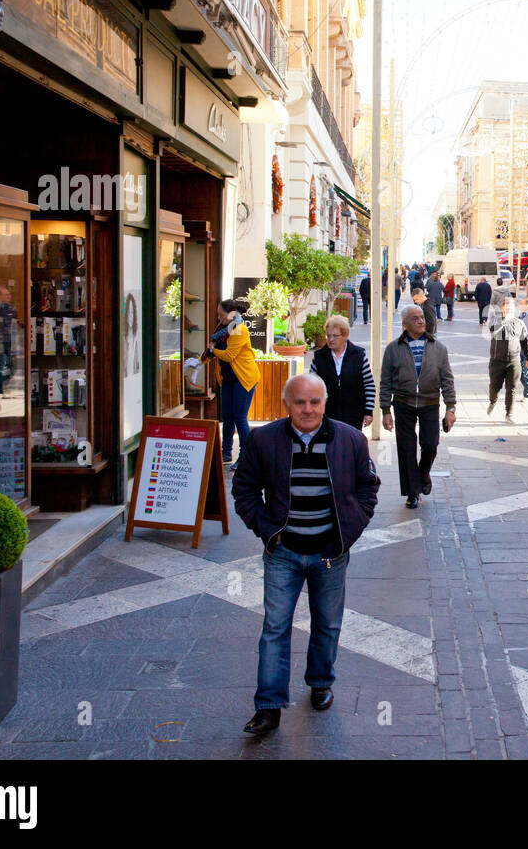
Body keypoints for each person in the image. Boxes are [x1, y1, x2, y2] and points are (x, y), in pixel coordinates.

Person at [233, 373, 380, 736]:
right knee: (275, 628)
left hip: (330, 553)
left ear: (324, 404)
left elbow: (368, 488)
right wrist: (267, 530)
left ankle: (320, 682)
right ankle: (268, 706)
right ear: (287, 405)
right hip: (284, 552)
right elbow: (244, 489)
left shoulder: (350, 440)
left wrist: (351, 530)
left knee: (327, 624)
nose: (308, 409)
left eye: (315, 402)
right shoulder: (264, 440)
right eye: (300, 402)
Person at [380, 305, 457, 509]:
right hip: (403, 403)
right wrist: (385, 410)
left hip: (430, 402)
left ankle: (423, 474)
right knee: (406, 448)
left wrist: (451, 408)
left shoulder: (438, 348)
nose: (421, 321)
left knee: (430, 444)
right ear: (405, 325)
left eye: (422, 317)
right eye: (415, 319)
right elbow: (385, 381)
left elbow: (447, 379)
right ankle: (412, 492)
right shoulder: (393, 349)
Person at [209, 299, 261, 467]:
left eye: (221, 315)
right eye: (218, 315)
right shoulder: (225, 330)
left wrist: (212, 350)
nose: (219, 318)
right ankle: (225, 454)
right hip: (229, 379)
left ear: (231, 315)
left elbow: (229, 355)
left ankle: (245, 457)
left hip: (243, 378)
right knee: (228, 417)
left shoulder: (239, 330)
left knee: (239, 417)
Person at [308, 315, 374, 432]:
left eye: (335, 336)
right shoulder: (319, 358)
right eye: (328, 335)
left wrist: (368, 412)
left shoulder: (358, 355)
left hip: (354, 416)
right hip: (326, 417)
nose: (331, 339)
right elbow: (311, 387)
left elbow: (369, 385)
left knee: (350, 448)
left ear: (345, 336)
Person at [487, 297, 528, 424]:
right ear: (502, 309)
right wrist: (503, 321)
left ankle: (509, 414)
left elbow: (524, 341)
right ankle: (493, 402)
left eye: (510, 308)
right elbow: (492, 330)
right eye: (506, 308)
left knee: (512, 388)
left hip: (514, 361)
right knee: (494, 387)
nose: (508, 310)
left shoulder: (519, 323)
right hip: (497, 361)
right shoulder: (495, 321)